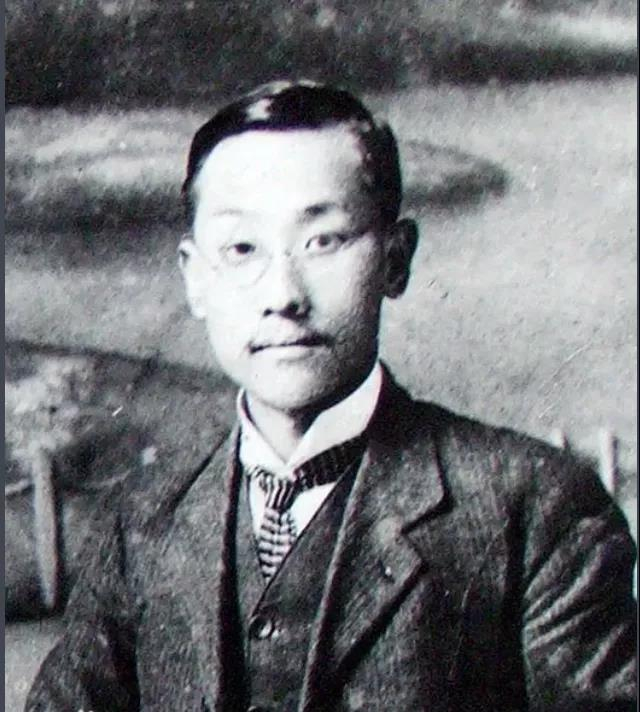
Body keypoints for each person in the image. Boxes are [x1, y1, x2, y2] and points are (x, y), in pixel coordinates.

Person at [26, 80, 636, 712]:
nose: (283, 295)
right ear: (196, 279)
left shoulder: (535, 510)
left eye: (323, 241)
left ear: (395, 259)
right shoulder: (142, 522)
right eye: (241, 249)